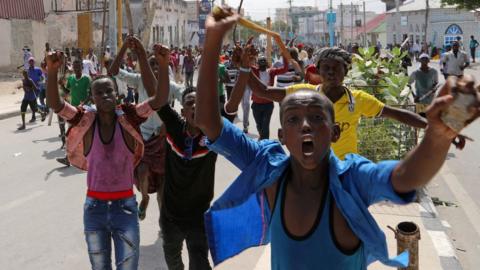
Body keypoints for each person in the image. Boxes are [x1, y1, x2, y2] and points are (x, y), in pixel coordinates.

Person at [195, 12, 480, 269]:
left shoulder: (354, 180)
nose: (305, 125)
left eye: (317, 118)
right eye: (293, 119)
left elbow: (406, 176)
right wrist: (213, 40)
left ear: (335, 132)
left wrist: (439, 135)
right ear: (281, 135)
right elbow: (209, 122)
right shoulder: (268, 168)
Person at [46, 42, 168, 270]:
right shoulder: (85, 119)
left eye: (109, 90)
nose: (104, 95)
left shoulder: (129, 116)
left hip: (125, 208)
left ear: (117, 93)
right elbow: (56, 104)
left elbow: (159, 101)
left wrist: (161, 62)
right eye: (99, 92)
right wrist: (52, 72)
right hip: (94, 209)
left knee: (128, 266)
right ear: (92, 97)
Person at [246, 47, 464, 159]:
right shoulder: (303, 95)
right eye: (326, 68)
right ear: (318, 71)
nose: (331, 72)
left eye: (336, 68)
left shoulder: (358, 100)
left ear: (346, 71)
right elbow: (263, 90)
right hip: (311, 169)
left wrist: (436, 127)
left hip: (345, 171)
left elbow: (396, 114)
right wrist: (245, 67)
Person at [110, 36, 184, 221]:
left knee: (162, 185)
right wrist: (124, 48)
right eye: (152, 64)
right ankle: (144, 198)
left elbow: (189, 104)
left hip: (163, 139)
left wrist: (171, 125)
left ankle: (164, 220)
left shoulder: (172, 86)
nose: (156, 68)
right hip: (143, 136)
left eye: (158, 64)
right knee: (142, 170)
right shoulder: (139, 80)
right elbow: (113, 71)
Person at [56, 59, 92, 166]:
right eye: (74, 67)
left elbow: (91, 95)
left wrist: (83, 104)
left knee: (85, 135)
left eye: (78, 66)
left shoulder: (87, 79)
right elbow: (67, 91)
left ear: (81, 67)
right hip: (73, 110)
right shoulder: (71, 78)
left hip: (85, 110)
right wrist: (61, 85)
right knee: (71, 134)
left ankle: (90, 157)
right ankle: (68, 158)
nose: (76, 69)